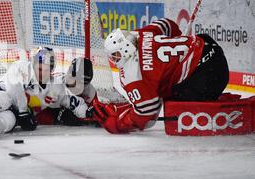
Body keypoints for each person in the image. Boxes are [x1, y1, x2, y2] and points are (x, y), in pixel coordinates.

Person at [96, 18, 229, 134]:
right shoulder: (139, 33)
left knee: (171, 98)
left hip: (210, 75)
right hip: (210, 46)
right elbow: (168, 24)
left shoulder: (133, 74)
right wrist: (177, 39)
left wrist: (120, 124)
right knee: (165, 83)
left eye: (115, 55)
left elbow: (147, 112)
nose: (113, 59)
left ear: (125, 48)